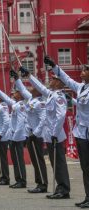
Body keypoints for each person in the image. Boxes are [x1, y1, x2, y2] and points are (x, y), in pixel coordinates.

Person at [19, 66, 70, 199]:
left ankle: (64, 189)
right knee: (55, 163)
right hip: (50, 135)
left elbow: (60, 116)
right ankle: (60, 188)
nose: (51, 80)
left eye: (54, 79)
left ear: (59, 82)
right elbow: (40, 88)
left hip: (56, 135)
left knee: (59, 162)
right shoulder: (51, 94)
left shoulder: (59, 96)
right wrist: (29, 76)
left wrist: (54, 133)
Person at [44, 57, 89, 207]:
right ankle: (88, 197)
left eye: (85, 70)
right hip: (81, 133)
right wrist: (54, 66)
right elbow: (67, 79)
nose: (82, 72)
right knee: (85, 167)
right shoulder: (82, 87)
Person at [10, 69, 48, 193]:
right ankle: (39, 183)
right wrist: (17, 79)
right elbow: (22, 90)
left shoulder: (41, 102)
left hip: (36, 135)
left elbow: (43, 119)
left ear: (38, 89)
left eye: (33, 87)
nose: (30, 88)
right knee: (35, 161)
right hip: (31, 134)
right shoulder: (32, 99)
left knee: (38, 160)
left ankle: (42, 184)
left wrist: (35, 133)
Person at [0, 82, 27, 188]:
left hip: (13, 137)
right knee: (14, 159)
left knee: (16, 159)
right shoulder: (12, 104)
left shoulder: (17, 105)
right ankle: (15, 179)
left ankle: (18, 180)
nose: (14, 93)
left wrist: (7, 135)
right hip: (10, 136)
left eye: (16, 92)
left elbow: (14, 122)